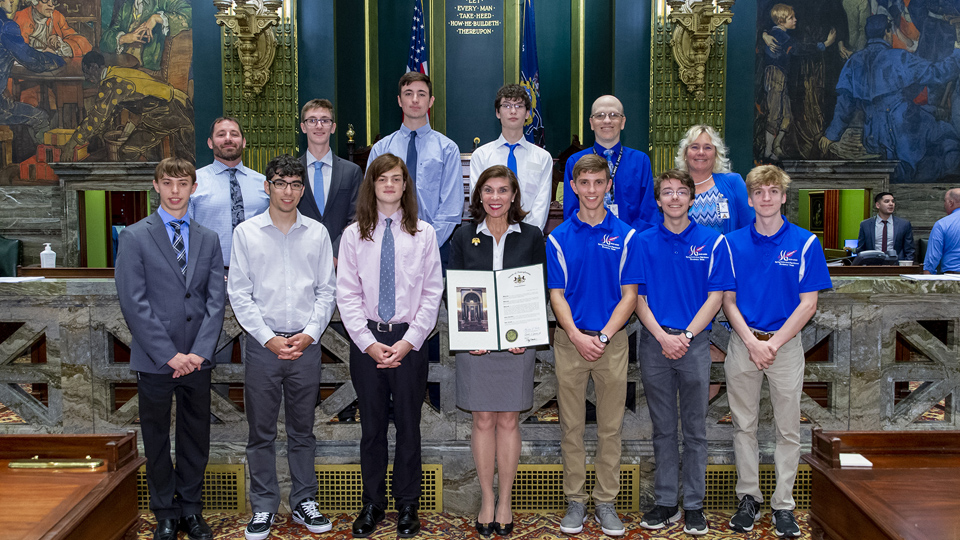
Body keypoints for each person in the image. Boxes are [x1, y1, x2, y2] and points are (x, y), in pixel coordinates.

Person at [227, 154, 337, 540]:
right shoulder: (246, 233)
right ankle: (263, 506)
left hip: (307, 345)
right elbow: (239, 295)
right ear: (267, 186)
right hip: (262, 345)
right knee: (261, 432)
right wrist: (269, 339)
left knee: (303, 430)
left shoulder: (317, 233)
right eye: (280, 183)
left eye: (294, 184)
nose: (287, 191)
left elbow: (327, 291)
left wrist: (309, 334)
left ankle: (305, 501)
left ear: (302, 190)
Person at [115, 158, 225, 540]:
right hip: (155, 359)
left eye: (183, 183)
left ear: (194, 188)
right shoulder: (134, 236)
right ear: (155, 186)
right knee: (157, 435)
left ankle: (191, 510)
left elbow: (215, 301)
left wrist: (198, 352)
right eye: (168, 183)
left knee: (196, 435)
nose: (175, 191)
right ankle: (165, 510)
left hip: (198, 358)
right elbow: (133, 301)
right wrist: (169, 354)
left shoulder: (209, 238)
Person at [337, 153, 443, 538]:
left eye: (396, 179)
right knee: (373, 427)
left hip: (409, 340)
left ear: (405, 185)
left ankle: (408, 504)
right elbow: (346, 294)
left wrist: (410, 341)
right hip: (367, 339)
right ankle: (372, 503)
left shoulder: (424, 233)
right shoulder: (354, 235)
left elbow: (433, 292)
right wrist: (366, 343)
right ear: (372, 185)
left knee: (410, 427)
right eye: (382, 179)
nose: (389, 185)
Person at [722, 165, 832, 538]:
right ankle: (749, 498)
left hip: (784, 346)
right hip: (743, 343)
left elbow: (808, 304)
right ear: (750, 199)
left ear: (784, 196)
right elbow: (728, 300)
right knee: (744, 426)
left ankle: (783, 504)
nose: (765, 198)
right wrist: (753, 343)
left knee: (787, 429)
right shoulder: (732, 243)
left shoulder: (805, 242)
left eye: (772, 191)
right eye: (758, 192)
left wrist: (773, 343)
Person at [635, 169, 734, 536]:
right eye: (667, 192)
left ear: (692, 199)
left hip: (694, 345)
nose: (674, 198)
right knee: (662, 428)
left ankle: (694, 504)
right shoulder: (642, 242)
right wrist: (662, 335)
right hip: (654, 342)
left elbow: (716, 296)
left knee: (694, 429)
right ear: (658, 200)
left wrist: (688, 334)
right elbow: (638, 298)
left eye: (681, 192)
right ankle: (665, 502)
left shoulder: (713, 241)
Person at [450, 165, 546, 537]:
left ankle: (505, 499)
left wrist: (528, 329)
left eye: (502, 191)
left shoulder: (532, 236)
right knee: (482, 420)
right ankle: (486, 499)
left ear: (514, 196)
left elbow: (538, 287)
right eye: (487, 190)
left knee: (508, 419)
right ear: (478, 196)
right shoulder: (462, 236)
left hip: (517, 342)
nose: (495, 198)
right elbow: (452, 286)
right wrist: (468, 331)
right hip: (474, 341)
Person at [548, 154, 641, 537]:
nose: (590, 190)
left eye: (598, 183)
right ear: (573, 186)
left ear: (608, 186)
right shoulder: (558, 237)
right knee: (570, 426)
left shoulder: (626, 236)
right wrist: (576, 335)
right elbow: (556, 294)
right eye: (583, 183)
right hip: (570, 341)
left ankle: (605, 502)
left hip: (611, 342)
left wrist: (601, 337)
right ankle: (575, 500)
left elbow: (630, 295)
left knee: (609, 427)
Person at [821, 15, 960, 182]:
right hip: (906, 125)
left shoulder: (853, 62)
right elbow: (938, 73)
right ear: (887, 32)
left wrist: (831, 135)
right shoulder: (898, 57)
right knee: (947, 134)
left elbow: (844, 106)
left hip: (874, 134)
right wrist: (958, 50)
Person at [367, 72, 461, 266]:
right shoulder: (381, 148)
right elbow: (369, 198)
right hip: (387, 244)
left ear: (431, 100)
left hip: (435, 247)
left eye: (422, 94)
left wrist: (426, 243)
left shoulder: (448, 149)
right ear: (399, 100)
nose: (415, 99)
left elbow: (451, 207)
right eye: (408, 93)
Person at [62, 51, 194, 161]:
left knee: (128, 152)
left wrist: (73, 142)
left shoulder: (111, 83)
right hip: (171, 106)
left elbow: (96, 117)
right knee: (192, 152)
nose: (86, 78)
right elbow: (109, 113)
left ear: (94, 67)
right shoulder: (116, 72)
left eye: (86, 72)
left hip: (170, 110)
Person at [561, 95, 657, 233]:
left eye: (613, 115)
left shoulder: (640, 161)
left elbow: (648, 213)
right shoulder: (575, 162)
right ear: (591, 123)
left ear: (623, 122)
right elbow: (571, 212)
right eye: (600, 115)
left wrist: (628, 240)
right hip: (588, 244)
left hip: (631, 244)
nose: (607, 120)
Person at [469, 84, 553, 230]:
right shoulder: (481, 156)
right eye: (507, 106)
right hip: (489, 233)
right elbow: (477, 198)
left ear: (527, 113)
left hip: (529, 237)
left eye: (519, 106)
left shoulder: (542, 158)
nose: (513, 111)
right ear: (497, 112)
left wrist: (528, 238)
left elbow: (542, 204)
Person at [761, 4, 836, 161]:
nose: (795, 20)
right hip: (775, 75)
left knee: (787, 115)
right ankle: (768, 150)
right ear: (781, 20)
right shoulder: (779, 35)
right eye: (791, 18)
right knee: (775, 113)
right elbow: (798, 49)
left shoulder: (781, 34)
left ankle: (776, 146)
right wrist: (824, 45)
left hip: (782, 76)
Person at [190, 117, 269, 266]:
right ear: (210, 143)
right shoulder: (193, 183)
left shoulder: (264, 184)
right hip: (210, 274)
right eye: (221, 135)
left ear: (243, 142)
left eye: (234, 134)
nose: (228, 139)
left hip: (257, 272)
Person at [297, 98, 362, 261]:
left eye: (325, 121)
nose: (319, 126)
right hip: (300, 259)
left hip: (342, 261)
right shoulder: (291, 172)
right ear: (303, 127)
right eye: (312, 120)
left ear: (333, 127)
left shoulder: (351, 172)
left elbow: (357, 218)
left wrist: (334, 254)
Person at [0, 0, 63, 144]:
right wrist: (56, 59)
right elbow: (32, 61)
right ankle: (45, 160)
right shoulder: (6, 26)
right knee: (40, 118)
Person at [675, 124, 754, 234]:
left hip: (723, 251)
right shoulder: (672, 186)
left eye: (707, 147)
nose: (701, 152)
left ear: (716, 154)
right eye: (695, 147)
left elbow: (751, 227)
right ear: (685, 153)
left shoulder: (733, 183)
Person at [99, 0, 190, 71]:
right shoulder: (126, 6)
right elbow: (104, 41)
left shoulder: (162, 1)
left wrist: (156, 18)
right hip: (122, 67)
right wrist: (123, 38)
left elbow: (188, 14)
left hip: (147, 71)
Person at [14, 0, 91, 57]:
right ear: (34, 3)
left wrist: (61, 44)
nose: (51, 5)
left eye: (53, 1)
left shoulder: (57, 17)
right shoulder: (21, 17)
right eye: (45, 0)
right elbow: (17, 51)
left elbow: (84, 44)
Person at [856, 191, 915, 261]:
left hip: (896, 265)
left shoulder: (903, 224)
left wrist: (906, 267)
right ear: (878, 205)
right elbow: (861, 250)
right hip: (873, 265)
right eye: (887, 201)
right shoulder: (865, 225)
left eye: (893, 201)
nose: (891, 204)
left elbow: (909, 250)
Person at [923, 188, 960, 274]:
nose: (944, 204)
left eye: (945, 201)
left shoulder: (942, 224)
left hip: (952, 279)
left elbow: (932, 258)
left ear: (951, 203)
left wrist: (926, 282)